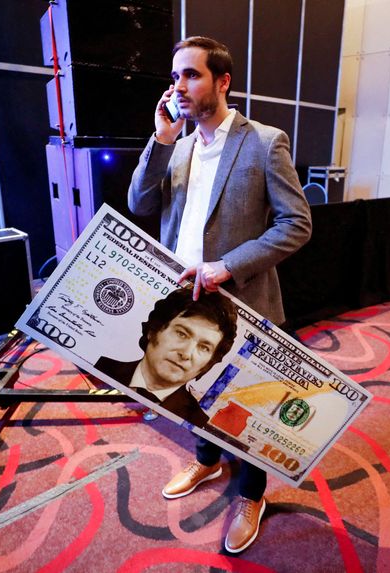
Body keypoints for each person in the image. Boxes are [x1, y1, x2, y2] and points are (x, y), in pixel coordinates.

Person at [127, 36, 312, 553]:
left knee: (243, 401)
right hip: (182, 299)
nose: (179, 86)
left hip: (242, 300)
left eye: (191, 75)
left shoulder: (264, 141)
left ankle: (252, 493)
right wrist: (161, 141)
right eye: (175, 76)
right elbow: (139, 202)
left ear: (222, 82)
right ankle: (208, 459)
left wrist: (228, 266)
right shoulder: (179, 145)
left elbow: (297, 224)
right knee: (194, 388)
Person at [95, 287, 237, 428]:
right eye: (182, 334)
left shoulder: (194, 422)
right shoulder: (98, 369)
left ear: (208, 363)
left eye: (204, 347)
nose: (186, 354)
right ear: (153, 330)